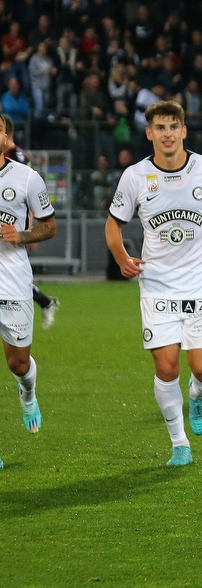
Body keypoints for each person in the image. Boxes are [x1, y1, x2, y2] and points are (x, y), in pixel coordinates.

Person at [105, 100, 202, 467]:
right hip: (157, 286)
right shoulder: (135, 177)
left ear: (184, 130)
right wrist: (122, 258)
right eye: (160, 128)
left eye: (174, 126)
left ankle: (199, 394)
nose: (167, 134)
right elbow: (113, 224)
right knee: (167, 367)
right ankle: (179, 444)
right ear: (149, 133)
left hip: (201, 286)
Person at [0, 112, 56, 468]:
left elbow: (49, 226)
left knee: (18, 363)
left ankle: (28, 391)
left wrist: (22, 235)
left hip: (13, 279)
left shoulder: (26, 178)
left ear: (7, 138)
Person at [1, 114, 59, 328]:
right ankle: (46, 302)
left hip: (15, 230)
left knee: (13, 275)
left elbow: (26, 196)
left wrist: (28, 231)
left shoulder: (17, 157)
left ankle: (45, 302)